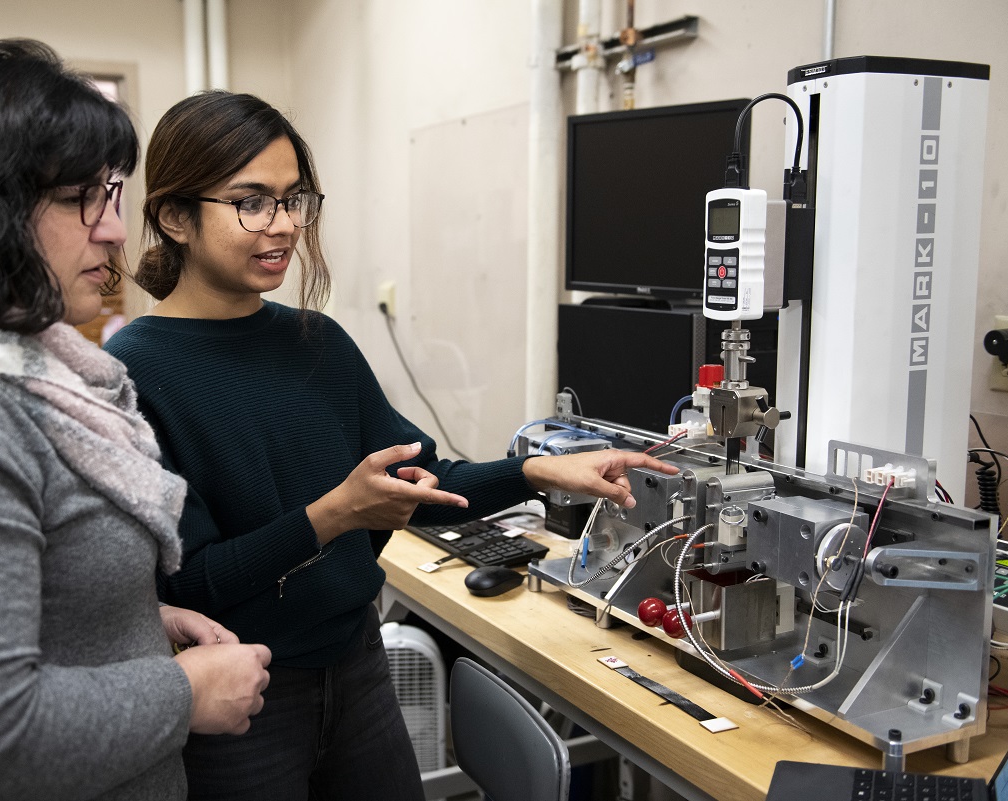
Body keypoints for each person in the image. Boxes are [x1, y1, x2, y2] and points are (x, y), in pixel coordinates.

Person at [104, 90, 680, 801]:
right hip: (241, 695)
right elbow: (189, 585)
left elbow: (421, 480)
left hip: (357, 670)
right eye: (251, 201)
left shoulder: (318, 345)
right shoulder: (136, 371)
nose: (282, 225)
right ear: (173, 216)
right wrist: (334, 516)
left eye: (294, 199)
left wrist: (539, 470)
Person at [0, 40, 272, 800]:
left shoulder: (16, 372)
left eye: (113, 194)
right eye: (80, 198)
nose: (115, 231)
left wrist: (131, 619)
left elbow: (7, 599)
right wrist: (181, 693)